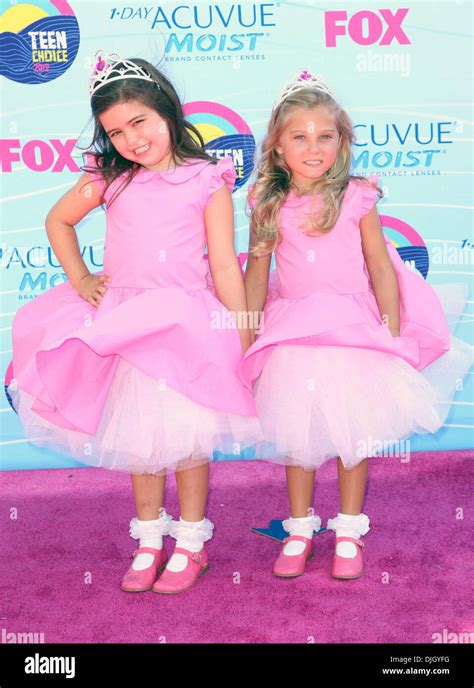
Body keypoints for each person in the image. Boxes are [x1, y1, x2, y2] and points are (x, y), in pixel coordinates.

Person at [7, 52, 261, 595]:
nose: (131, 140)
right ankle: (149, 541)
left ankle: (191, 544)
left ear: (166, 111)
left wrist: (242, 331)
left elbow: (222, 261)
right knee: (142, 439)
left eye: (139, 122)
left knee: (189, 439)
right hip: (126, 323)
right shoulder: (108, 178)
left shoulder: (207, 176)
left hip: (189, 324)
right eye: (115, 132)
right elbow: (58, 220)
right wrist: (80, 281)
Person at [240, 69, 473, 580]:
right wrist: (247, 332)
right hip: (293, 333)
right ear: (278, 148)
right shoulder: (266, 202)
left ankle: (348, 530)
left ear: (341, 141)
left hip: (352, 328)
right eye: (298, 137)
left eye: (325, 136)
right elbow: (257, 272)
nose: (313, 147)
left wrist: (390, 331)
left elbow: (380, 266)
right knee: (298, 439)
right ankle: (299, 529)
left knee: (354, 435)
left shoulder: (358, 196)